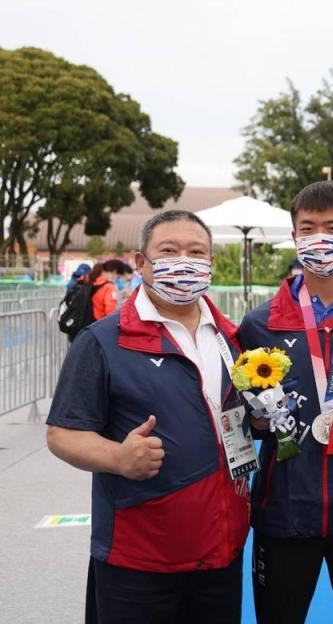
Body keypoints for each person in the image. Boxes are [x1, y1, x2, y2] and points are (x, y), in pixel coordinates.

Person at [45, 210, 250, 624]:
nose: (184, 262)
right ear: (142, 263)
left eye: (196, 253)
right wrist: (117, 458)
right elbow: (62, 433)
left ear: (210, 263)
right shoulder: (103, 340)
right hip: (139, 560)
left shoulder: (231, 337)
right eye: (169, 251)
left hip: (221, 554)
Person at [237, 181, 333, 624]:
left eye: (332, 227)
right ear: (294, 237)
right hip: (284, 512)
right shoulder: (257, 326)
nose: (319, 238)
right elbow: (238, 417)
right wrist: (258, 424)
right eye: (308, 228)